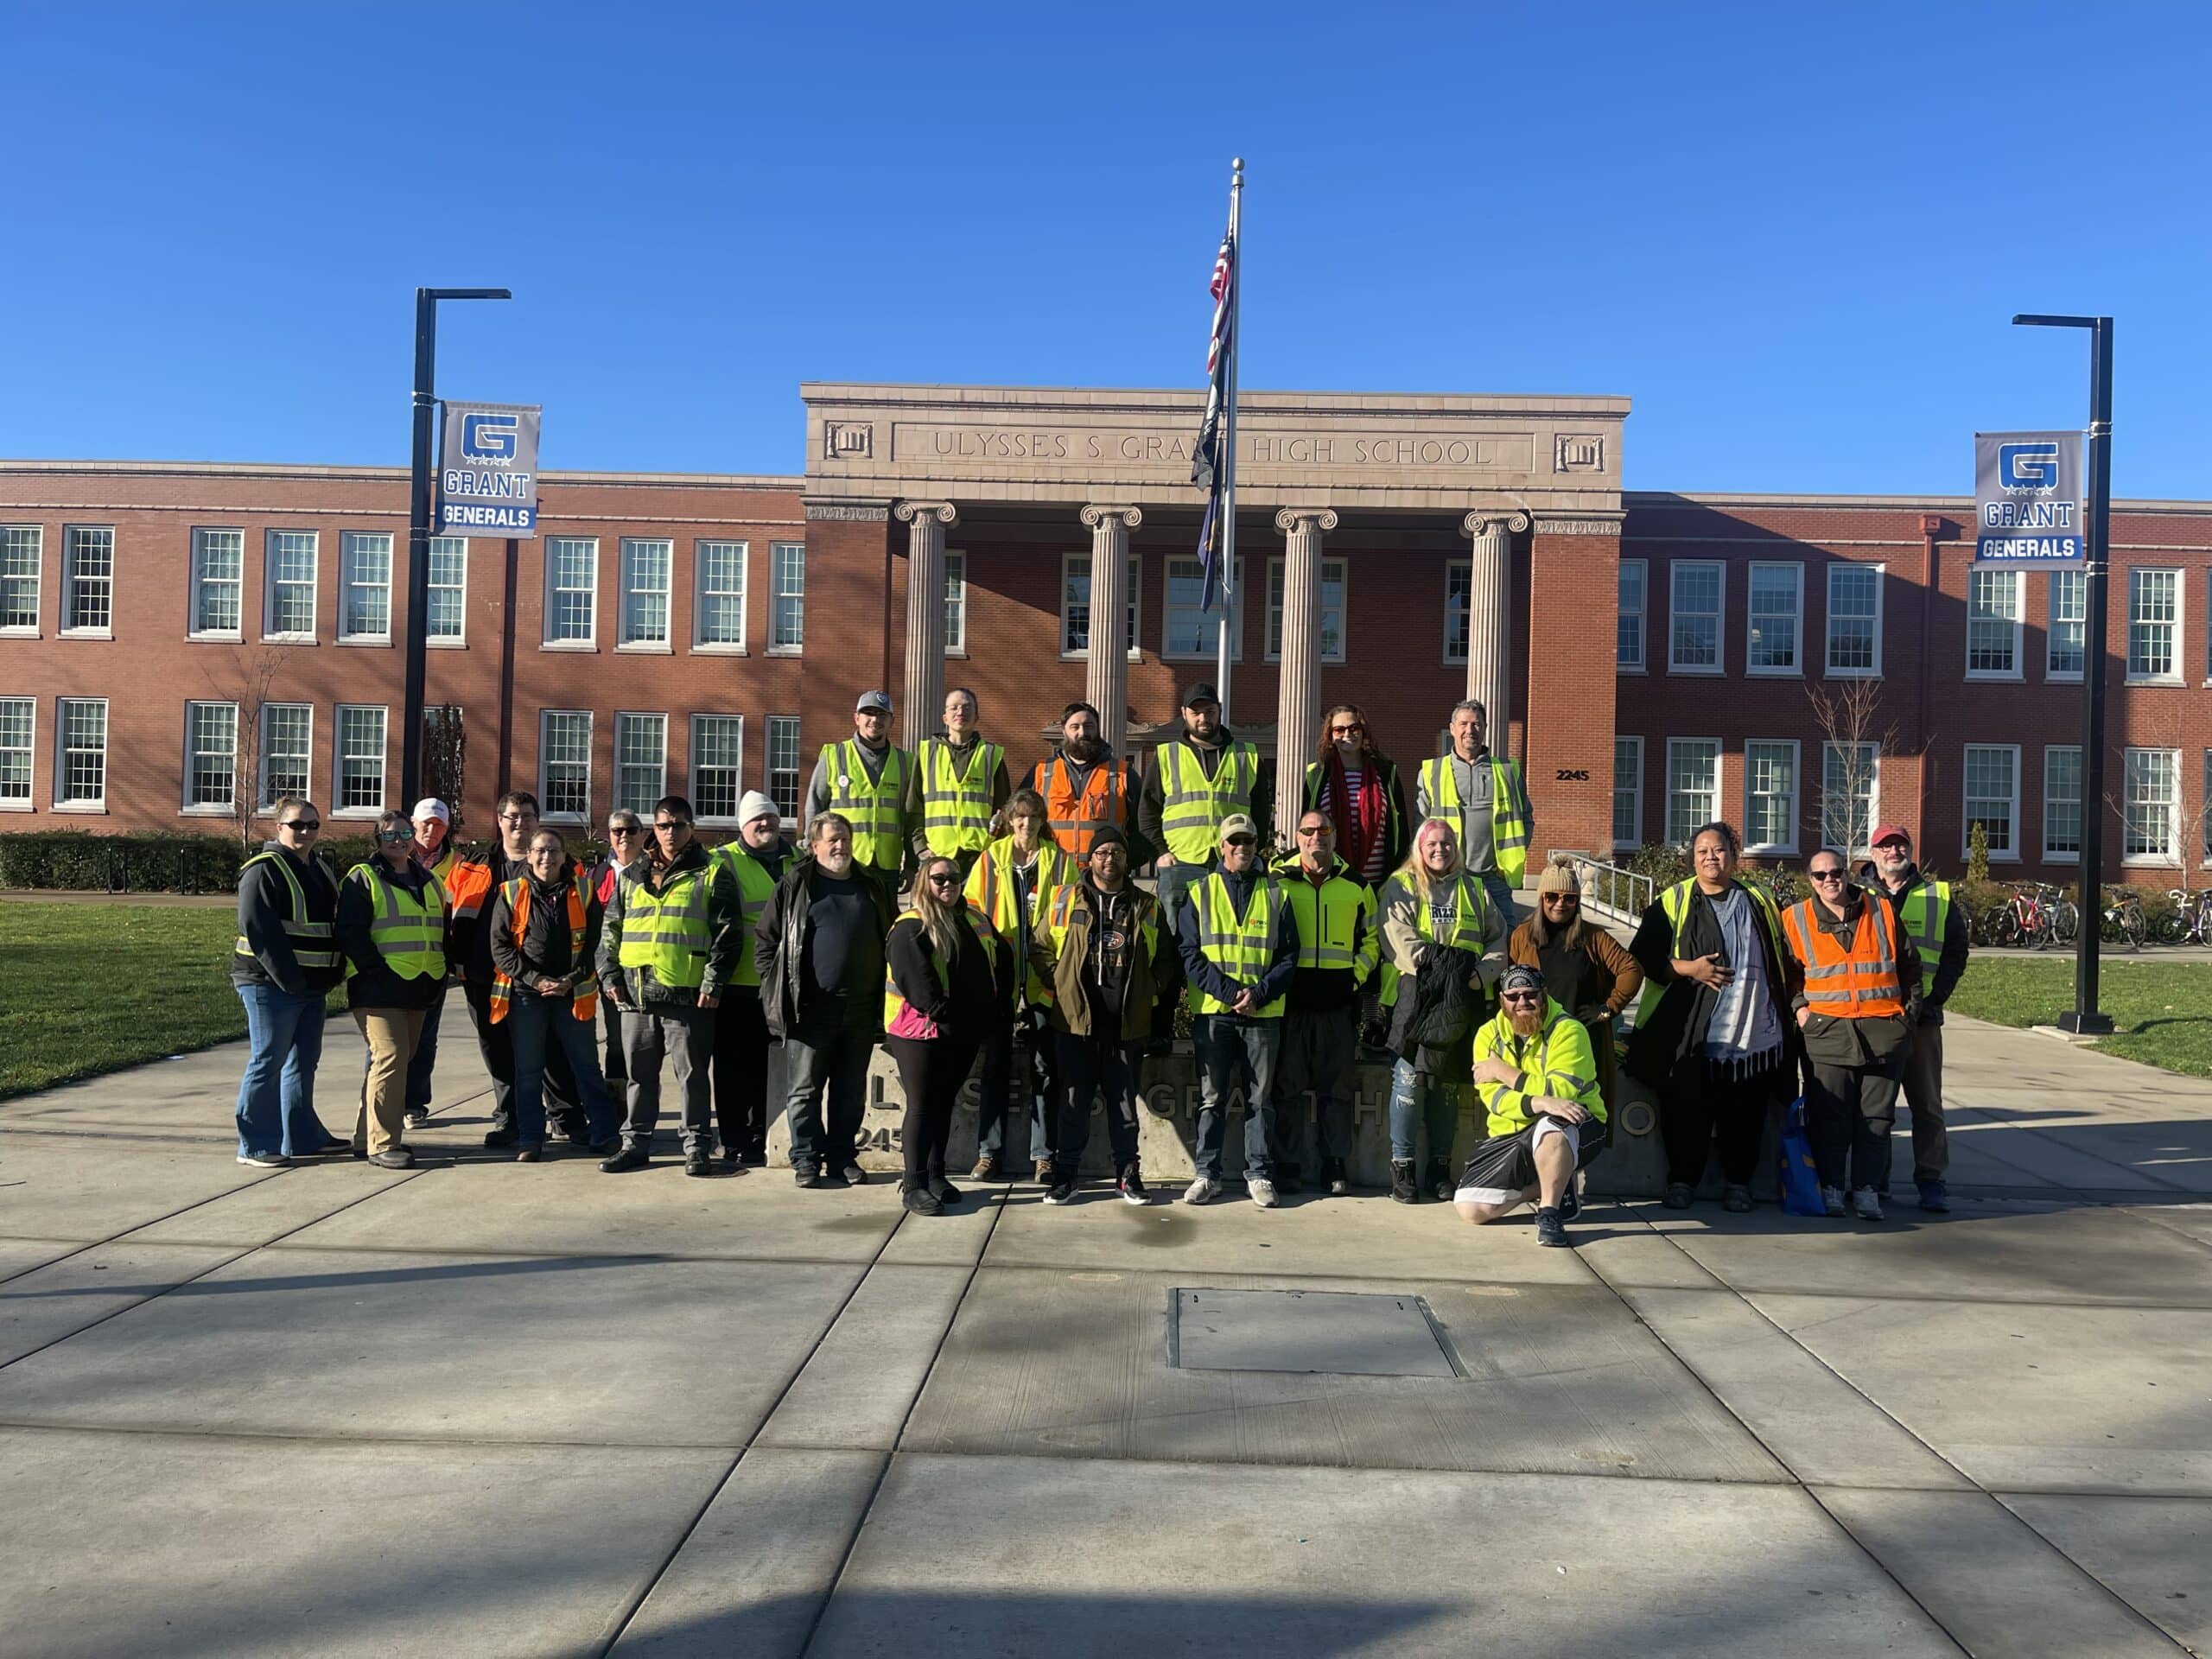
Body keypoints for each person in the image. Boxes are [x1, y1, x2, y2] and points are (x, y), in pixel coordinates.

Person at [1625, 822, 1796, 1212]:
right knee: (1686, 1109)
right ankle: (1682, 1180)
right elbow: (1643, 957)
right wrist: (1689, 969)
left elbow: (1784, 954)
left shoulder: (1761, 900)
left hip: (1752, 1028)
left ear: (1734, 856)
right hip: (1691, 1031)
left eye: (1718, 850)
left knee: (1745, 1111)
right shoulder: (1675, 900)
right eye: (1702, 851)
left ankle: (1739, 1183)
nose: (1710, 858)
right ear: (1692, 858)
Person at [1033, 825, 1177, 1205]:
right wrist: (1058, 981)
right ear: (1090, 858)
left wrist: (1154, 987)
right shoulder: (1066, 899)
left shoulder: (1146, 905)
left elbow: (1166, 955)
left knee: (1125, 1106)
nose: (1109, 858)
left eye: (1116, 852)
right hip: (1076, 1023)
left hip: (1126, 1024)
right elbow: (1039, 946)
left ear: (1126, 860)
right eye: (1102, 852)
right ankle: (1066, 1176)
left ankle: (1128, 1175)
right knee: (1073, 1103)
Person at [598, 796, 740, 1176]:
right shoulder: (631, 876)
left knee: (692, 1076)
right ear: (653, 829)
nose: (670, 832)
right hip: (637, 994)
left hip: (688, 993)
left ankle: (696, 1146)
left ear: (691, 828)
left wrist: (713, 981)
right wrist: (610, 975)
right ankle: (635, 1144)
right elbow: (611, 929)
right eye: (663, 825)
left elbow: (728, 934)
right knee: (639, 1077)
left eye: (678, 825)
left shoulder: (711, 871)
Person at [757, 813, 896, 1188]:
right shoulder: (795, 886)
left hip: (862, 1010)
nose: (840, 846)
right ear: (814, 845)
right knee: (804, 1091)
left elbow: (894, 938)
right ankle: (805, 1159)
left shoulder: (872, 885)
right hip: (809, 1010)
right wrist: (779, 991)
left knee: (850, 1092)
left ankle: (841, 1159)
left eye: (845, 839)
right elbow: (766, 943)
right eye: (832, 840)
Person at [1783, 850, 1922, 1221]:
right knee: (1830, 1119)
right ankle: (1830, 1188)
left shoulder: (1882, 911)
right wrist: (1800, 1009)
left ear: (1847, 874)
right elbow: (1787, 974)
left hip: (1883, 1034)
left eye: (1836, 872)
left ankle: (1866, 1191)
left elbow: (1910, 967)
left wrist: (1908, 1019)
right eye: (1820, 875)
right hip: (1826, 1034)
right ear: (1810, 880)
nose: (1830, 880)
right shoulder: (1795, 919)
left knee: (1875, 1120)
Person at [1378, 818, 1507, 1202]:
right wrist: (1442, 972)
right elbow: (1398, 939)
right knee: (1409, 1082)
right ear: (1420, 847)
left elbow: (1498, 940)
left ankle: (1439, 1168)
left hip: (1461, 998)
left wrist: (1479, 978)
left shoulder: (1475, 888)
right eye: (1433, 843)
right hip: (1414, 996)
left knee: (1447, 1087)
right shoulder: (1401, 885)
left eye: (1447, 843)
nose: (1440, 850)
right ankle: (1402, 1168)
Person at [448, 792, 586, 1149]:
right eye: (512, 816)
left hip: (542, 980)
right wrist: (456, 963)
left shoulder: (565, 865)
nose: (519, 822)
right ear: (499, 820)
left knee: (553, 1051)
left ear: (537, 821)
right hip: (483, 975)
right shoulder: (470, 866)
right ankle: (509, 1119)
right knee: (497, 1052)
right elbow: (449, 919)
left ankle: (565, 1117)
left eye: (527, 815)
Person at [1176, 813, 1298, 1208]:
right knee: (1212, 1098)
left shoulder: (1277, 893)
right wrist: (1231, 993)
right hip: (1216, 1012)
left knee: (1260, 1100)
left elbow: (1288, 955)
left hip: (1262, 1014)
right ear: (1221, 847)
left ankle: (1259, 1175)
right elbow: (1189, 954)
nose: (1242, 847)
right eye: (1235, 841)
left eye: (1248, 841)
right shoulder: (1199, 891)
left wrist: (1259, 994)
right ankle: (1206, 1174)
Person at [486, 827, 620, 1160]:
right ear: (529, 856)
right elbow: (500, 947)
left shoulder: (585, 890)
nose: (547, 857)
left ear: (564, 855)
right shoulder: (510, 891)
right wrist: (535, 979)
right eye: (540, 851)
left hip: (572, 993)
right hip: (527, 995)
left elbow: (595, 944)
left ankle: (604, 1134)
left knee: (586, 1067)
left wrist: (570, 980)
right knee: (528, 1070)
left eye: (554, 851)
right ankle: (531, 1140)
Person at [963, 788, 1076, 1180]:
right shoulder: (989, 861)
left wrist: (1057, 971)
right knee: (995, 1067)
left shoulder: (1061, 863)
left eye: (1034, 817)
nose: (1026, 823)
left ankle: (1044, 1155)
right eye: (1020, 817)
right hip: (1000, 980)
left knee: (1046, 1071)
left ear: (1044, 821)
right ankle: (988, 1153)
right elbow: (972, 915)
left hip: (1045, 981)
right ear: (1010, 820)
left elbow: (1072, 919)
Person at [230, 796, 346, 1166]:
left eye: (313, 825)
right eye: (297, 824)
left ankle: (302, 1136)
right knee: (268, 1060)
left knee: (303, 1061)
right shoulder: (263, 869)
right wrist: (290, 980)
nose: (306, 831)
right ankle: (256, 1144)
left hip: (310, 986)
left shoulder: (318, 867)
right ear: (278, 827)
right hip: (269, 983)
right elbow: (258, 928)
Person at [883, 855, 1003, 1215]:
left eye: (954, 878)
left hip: (962, 1029)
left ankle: (936, 1176)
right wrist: (947, 1017)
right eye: (939, 879)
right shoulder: (911, 925)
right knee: (922, 1105)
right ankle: (914, 1183)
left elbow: (999, 963)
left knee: (942, 1103)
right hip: (918, 1029)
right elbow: (919, 984)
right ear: (924, 882)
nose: (947, 884)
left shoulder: (974, 918)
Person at [1457, 964, 1607, 1247]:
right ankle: (1553, 1183)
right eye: (1513, 996)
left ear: (1544, 995)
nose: (1522, 1003)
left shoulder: (1569, 1030)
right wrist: (1539, 1100)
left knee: (1551, 1123)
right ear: (1502, 1000)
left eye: (1530, 994)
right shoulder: (1487, 1035)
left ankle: (1550, 1213)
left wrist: (1503, 1072)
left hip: (1579, 1128)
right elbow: (1495, 1100)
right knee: (1471, 1209)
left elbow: (1563, 1092)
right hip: (1512, 1136)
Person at [1270, 810, 1379, 1196]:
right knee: (1288, 1087)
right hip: (1291, 1001)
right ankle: (1287, 1164)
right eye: (1309, 831)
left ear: (1333, 838)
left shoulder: (1354, 884)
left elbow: (1372, 940)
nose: (1317, 837)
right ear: (1298, 838)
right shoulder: (1277, 881)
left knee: (1338, 1088)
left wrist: (1355, 977)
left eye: (1324, 831)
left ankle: (1335, 1163)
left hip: (1337, 1002)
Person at [334, 810, 449, 1171]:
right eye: (389, 835)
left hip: (420, 986)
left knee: (398, 1061)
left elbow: (438, 932)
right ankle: (383, 1144)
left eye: (403, 834)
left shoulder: (429, 881)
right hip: (378, 989)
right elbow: (351, 932)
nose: (398, 841)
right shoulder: (363, 878)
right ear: (377, 841)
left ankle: (363, 1137)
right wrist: (376, 973)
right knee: (390, 1057)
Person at [1871, 824, 1969, 1212]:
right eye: (1885, 845)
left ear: (1909, 850)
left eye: (1899, 844)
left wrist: (1935, 1000)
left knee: (1926, 1105)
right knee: (1876, 1107)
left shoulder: (1938, 896)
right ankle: (1874, 1181)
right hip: (1873, 1018)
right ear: (1873, 853)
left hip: (1922, 1021)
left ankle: (1931, 1179)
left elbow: (1955, 954)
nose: (1893, 851)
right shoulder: (1857, 895)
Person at [1507, 854, 1644, 1122]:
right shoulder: (1522, 936)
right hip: (1536, 1043)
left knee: (1579, 1121)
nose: (1561, 904)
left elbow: (1632, 970)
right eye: (1552, 897)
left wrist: (1608, 1009)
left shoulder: (1593, 937)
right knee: (1537, 1121)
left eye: (1569, 898)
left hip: (1582, 1044)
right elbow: (1508, 983)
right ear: (1541, 898)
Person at [707, 792, 791, 1168]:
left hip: (783, 983)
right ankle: (733, 1137)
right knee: (731, 1067)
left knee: (770, 1065)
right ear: (743, 825)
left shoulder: (797, 859)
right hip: (737, 981)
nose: (765, 825)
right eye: (757, 820)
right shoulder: (722, 860)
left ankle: (762, 1134)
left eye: (771, 818)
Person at [1140, 682, 1266, 930]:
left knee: (1228, 934)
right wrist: (1160, 852)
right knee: (1174, 939)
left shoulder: (1246, 756)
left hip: (1232, 864)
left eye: (1209, 711)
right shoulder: (1166, 755)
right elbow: (1147, 811)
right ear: (1184, 713)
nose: (1203, 718)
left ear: (1219, 711)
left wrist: (1251, 852)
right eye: (1196, 712)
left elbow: (1261, 813)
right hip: (1180, 864)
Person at [1414, 698, 1534, 924]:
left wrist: (1509, 862)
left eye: (1477, 724)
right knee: (1452, 942)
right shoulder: (1432, 771)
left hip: (1495, 879)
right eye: (1464, 724)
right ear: (1452, 728)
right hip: (1447, 876)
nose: (1470, 730)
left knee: (1505, 941)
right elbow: (1419, 827)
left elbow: (1526, 819)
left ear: (1486, 728)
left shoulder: (1509, 771)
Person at [805, 690, 920, 888]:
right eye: (868, 713)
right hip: (842, 861)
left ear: (892, 721)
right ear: (857, 718)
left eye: (882, 714)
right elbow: (814, 808)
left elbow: (912, 818)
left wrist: (911, 864)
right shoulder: (834, 756)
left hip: (887, 866)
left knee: (885, 920)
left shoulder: (906, 762)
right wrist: (812, 853)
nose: (875, 719)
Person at [1302, 704, 1410, 892]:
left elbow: (1400, 827)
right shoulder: (1317, 775)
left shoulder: (1385, 772)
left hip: (1379, 884)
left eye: (1354, 728)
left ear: (1363, 731)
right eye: (1339, 729)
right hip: (1332, 880)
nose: (1347, 734)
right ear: (1330, 735)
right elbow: (1306, 827)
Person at [397, 797, 457, 1132]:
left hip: (434, 965)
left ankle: (415, 1103)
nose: (431, 830)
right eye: (425, 823)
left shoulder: (457, 865)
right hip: (395, 965)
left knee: (425, 1038)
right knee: (389, 1041)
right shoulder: (392, 860)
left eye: (438, 824)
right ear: (412, 824)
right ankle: (382, 1100)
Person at [913, 687, 1010, 876]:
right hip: (935, 855)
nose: (960, 712)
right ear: (945, 718)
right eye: (954, 708)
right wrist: (920, 849)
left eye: (967, 708)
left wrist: (994, 851)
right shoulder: (926, 753)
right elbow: (914, 807)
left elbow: (1005, 811)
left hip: (979, 857)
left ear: (976, 718)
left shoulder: (991, 755)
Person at [1031, 702, 1143, 862]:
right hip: (1053, 875)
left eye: (1088, 726)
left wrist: (1127, 863)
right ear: (1064, 732)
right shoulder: (1042, 772)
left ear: (1098, 729)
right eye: (1075, 727)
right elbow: (1019, 820)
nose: (1082, 732)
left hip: (1104, 878)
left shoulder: (1122, 773)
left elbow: (1143, 824)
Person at [594, 809, 648, 1092]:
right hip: (611, 971)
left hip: (647, 972)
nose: (624, 836)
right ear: (610, 837)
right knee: (615, 1038)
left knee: (644, 1044)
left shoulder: (653, 870)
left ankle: (641, 1102)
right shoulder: (598, 873)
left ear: (642, 835)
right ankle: (618, 1101)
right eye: (617, 831)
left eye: (630, 830)